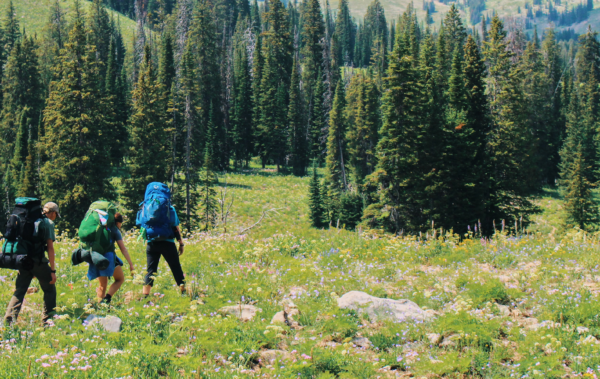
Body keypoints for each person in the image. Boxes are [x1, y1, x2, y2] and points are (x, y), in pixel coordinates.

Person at [4, 202, 59, 324]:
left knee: (19, 291)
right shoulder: (48, 223)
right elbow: (50, 248)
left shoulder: (26, 219)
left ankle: (8, 322)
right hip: (37, 261)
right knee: (49, 289)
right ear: (53, 213)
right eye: (56, 214)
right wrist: (52, 271)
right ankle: (48, 321)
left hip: (23, 260)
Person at [87, 213, 134, 304]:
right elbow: (123, 249)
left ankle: (100, 308)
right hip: (109, 259)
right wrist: (131, 265)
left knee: (102, 285)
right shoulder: (115, 230)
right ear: (118, 222)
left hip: (97, 258)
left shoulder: (99, 228)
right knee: (120, 279)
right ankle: (107, 298)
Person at [143, 207, 186, 296]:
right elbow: (175, 227)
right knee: (176, 267)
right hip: (168, 243)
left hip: (152, 243)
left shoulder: (147, 207)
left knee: (150, 270)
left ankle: (145, 295)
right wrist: (180, 243)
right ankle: (183, 292)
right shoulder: (170, 208)